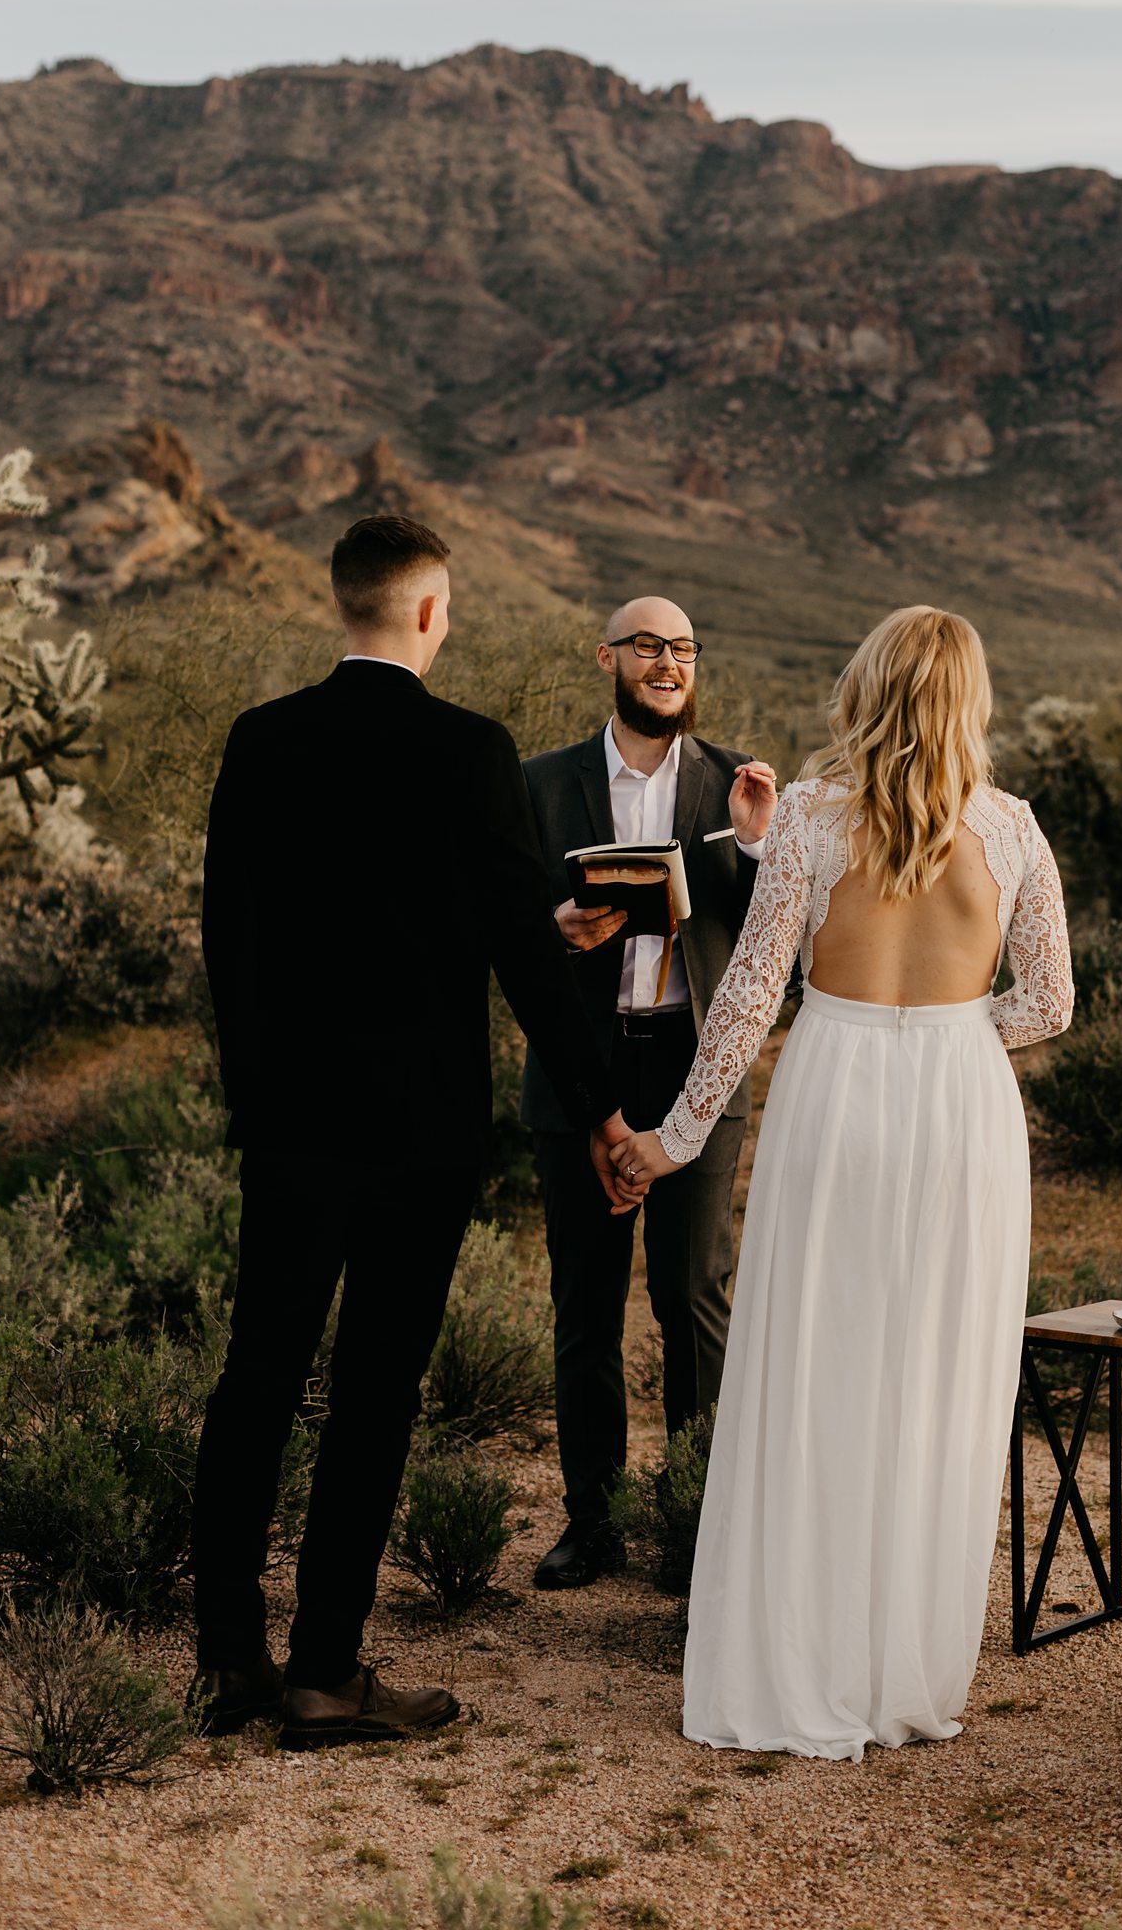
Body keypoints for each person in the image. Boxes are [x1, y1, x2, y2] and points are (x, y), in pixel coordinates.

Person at [190, 515, 630, 1744]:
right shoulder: (467, 752)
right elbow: (517, 955)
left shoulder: (262, 741)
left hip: (287, 1130)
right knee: (373, 1393)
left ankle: (229, 1661)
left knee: (258, 1375)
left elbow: (229, 936)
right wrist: (598, 1105)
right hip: (419, 1136)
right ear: (430, 612)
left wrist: (254, 1101)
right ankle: (326, 1671)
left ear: (345, 606)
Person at [613, 606, 1073, 1759]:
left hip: (838, 1094)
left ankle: (795, 1659)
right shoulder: (1013, 829)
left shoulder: (814, 823)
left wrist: (671, 1138)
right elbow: (1052, 1004)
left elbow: (749, 1001)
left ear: (865, 691)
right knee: (935, 1382)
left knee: (814, 1368)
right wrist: (961, 1037)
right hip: (964, 1116)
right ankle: (902, 1673)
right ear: (969, 701)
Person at [520, 595, 777, 1589]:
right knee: (583, 1305)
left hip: (695, 1067)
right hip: (579, 1068)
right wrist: (552, 930)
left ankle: (696, 1523)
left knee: (691, 1296)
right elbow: (499, 925)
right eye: (646, 646)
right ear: (607, 658)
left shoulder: (737, 785)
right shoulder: (540, 784)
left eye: (682, 648)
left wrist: (753, 848)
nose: (667, 661)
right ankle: (593, 1523)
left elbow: (772, 944)